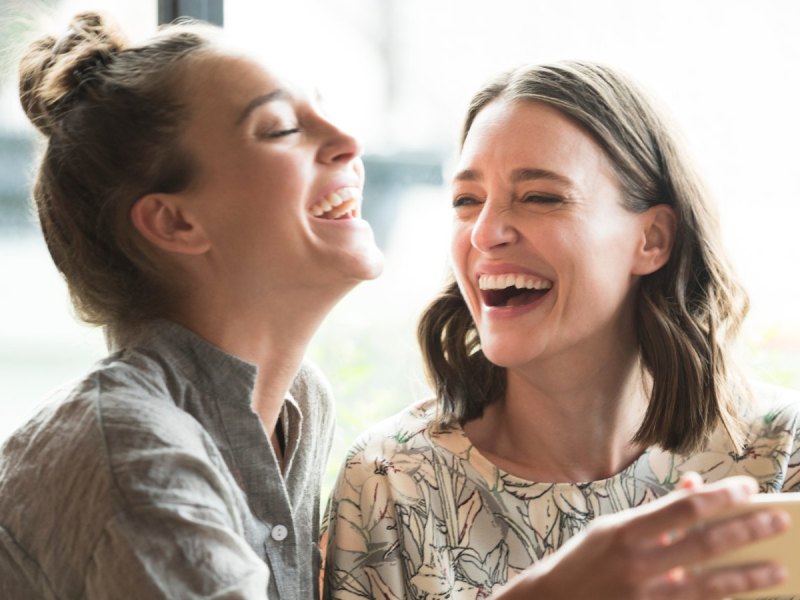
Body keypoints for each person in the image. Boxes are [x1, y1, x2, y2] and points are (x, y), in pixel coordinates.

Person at [322, 60, 800, 599]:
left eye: (540, 197)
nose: (484, 232)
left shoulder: (780, 452)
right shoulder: (390, 479)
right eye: (466, 201)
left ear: (652, 239)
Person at [0, 11, 383, 599]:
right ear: (174, 221)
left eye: (323, 108)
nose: (348, 141)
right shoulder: (130, 455)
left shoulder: (301, 405)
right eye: (281, 128)